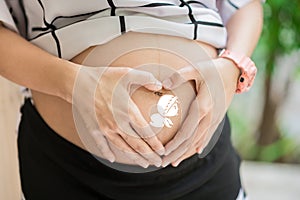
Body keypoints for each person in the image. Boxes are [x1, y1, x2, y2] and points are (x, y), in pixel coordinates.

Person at [0, 0, 263, 199]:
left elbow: (245, 4)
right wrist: (74, 83)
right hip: (72, 171)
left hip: (202, 166)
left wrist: (232, 66)